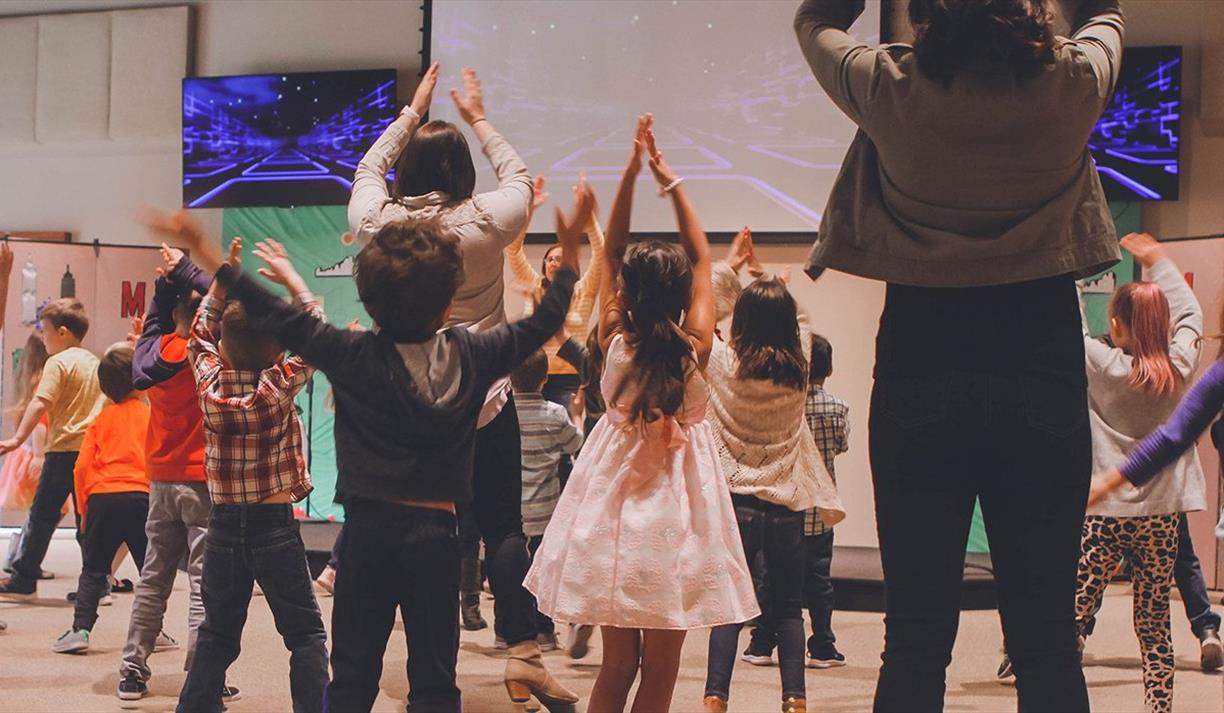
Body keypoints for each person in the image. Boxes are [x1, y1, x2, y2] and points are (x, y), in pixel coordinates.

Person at [793, 0, 1124, 708]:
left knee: (914, 637)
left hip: (922, 354)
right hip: (1041, 357)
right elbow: (1107, 15)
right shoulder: (1071, 85)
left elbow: (814, 20)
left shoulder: (889, 87)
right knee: (1044, 639)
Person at [348, 62, 574, 707]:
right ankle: (522, 652)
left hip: (401, 401)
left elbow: (366, 172)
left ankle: (398, 667)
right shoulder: (486, 221)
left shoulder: (379, 225)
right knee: (503, 525)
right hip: (481, 397)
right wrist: (477, 116)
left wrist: (409, 114)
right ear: (460, 172)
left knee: (420, 530)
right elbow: (522, 180)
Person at [526, 115, 759, 713]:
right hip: (678, 515)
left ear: (623, 291)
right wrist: (670, 180)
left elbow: (616, 246)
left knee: (617, 665)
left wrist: (629, 173)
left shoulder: (613, 334)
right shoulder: (697, 346)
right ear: (683, 295)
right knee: (661, 670)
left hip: (617, 513)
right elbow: (704, 259)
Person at [137, 220, 329, 713]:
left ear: (221, 345)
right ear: (278, 350)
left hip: (222, 523)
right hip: (274, 526)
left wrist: (222, 280)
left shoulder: (207, 379)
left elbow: (200, 329)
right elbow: (317, 331)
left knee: (217, 632)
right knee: (305, 633)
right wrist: (291, 279)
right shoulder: (279, 383)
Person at [1033, 233, 1202, 713]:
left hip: (1104, 511)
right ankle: (1159, 707)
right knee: (1154, 624)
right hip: (1162, 515)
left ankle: (1059, 700)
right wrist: (1159, 262)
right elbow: (1191, 316)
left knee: (1073, 615)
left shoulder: (1103, 365)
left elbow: (1068, 324)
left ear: (1118, 325)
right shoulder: (1182, 366)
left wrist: (1062, 266)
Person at [701, 271, 844, 713]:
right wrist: (769, 278)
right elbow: (801, 317)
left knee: (729, 608)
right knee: (787, 608)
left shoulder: (723, 363)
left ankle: (715, 698)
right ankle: (795, 699)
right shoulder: (799, 367)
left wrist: (736, 274)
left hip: (735, 504)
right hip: (785, 506)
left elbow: (710, 318)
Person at [118, 246, 231, 701]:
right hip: (202, 481)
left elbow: (152, 325)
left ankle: (131, 668)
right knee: (204, 583)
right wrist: (191, 273)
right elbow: (232, 305)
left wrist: (164, 286)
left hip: (160, 480)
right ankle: (202, 675)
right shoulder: (210, 354)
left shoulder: (153, 355)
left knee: (153, 577)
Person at [747, 333, 850, 670]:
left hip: (784, 506)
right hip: (819, 511)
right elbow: (840, 446)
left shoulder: (785, 406)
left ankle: (762, 642)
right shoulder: (837, 408)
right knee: (819, 581)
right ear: (830, 369)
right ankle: (822, 646)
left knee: (771, 579)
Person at [0, 299, 105, 598]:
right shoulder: (94, 362)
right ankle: (96, 582)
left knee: (42, 515)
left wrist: (19, 439)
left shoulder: (57, 363)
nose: (42, 338)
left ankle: (23, 576)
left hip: (62, 452)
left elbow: (40, 403)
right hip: (90, 452)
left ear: (62, 332)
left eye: (44, 332)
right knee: (88, 519)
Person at [53, 343, 150, 653]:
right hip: (141, 498)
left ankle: (80, 630)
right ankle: (153, 630)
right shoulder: (150, 416)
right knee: (150, 572)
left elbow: (81, 467)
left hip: (102, 500)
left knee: (94, 569)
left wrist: (84, 513)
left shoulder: (100, 421)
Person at [507, 176, 605, 408]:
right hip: (531, 377)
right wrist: (528, 210)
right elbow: (513, 250)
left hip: (573, 378)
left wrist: (586, 217)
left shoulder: (582, 290)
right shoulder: (534, 283)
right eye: (549, 259)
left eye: (559, 259)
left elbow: (600, 252)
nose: (553, 263)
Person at [511, 351, 584, 652]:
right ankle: (544, 630)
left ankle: (511, 630)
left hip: (511, 507)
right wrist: (577, 414)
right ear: (545, 379)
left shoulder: (503, 412)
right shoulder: (554, 413)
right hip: (545, 509)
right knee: (543, 570)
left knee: (513, 569)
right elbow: (576, 445)